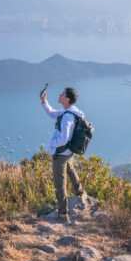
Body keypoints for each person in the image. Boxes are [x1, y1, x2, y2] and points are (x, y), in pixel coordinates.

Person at [40, 87, 85, 222]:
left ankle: (62, 213)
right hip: (69, 151)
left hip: (61, 153)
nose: (60, 94)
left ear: (67, 99)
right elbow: (52, 113)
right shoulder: (72, 112)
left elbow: (64, 138)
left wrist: (53, 144)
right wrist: (44, 101)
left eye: (63, 94)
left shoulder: (67, 117)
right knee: (70, 169)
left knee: (60, 183)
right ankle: (80, 192)